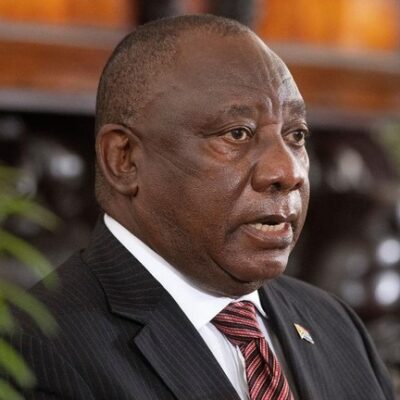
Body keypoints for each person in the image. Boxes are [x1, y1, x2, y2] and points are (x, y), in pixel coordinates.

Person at [8, 14, 395, 400]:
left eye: (295, 135)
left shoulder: (336, 327)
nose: (288, 171)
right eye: (237, 133)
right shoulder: (37, 352)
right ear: (123, 159)